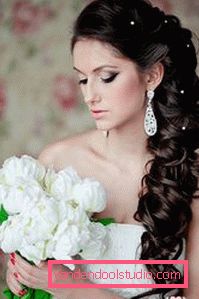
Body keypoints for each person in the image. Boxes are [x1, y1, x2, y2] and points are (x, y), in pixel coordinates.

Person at [5, 0, 199, 298]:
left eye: (106, 77)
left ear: (152, 76)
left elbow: (187, 288)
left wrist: (70, 285)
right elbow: (36, 273)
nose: (89, 95)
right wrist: (22, 272)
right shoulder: (59, 162)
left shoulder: (186, 173)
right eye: (83, 79)